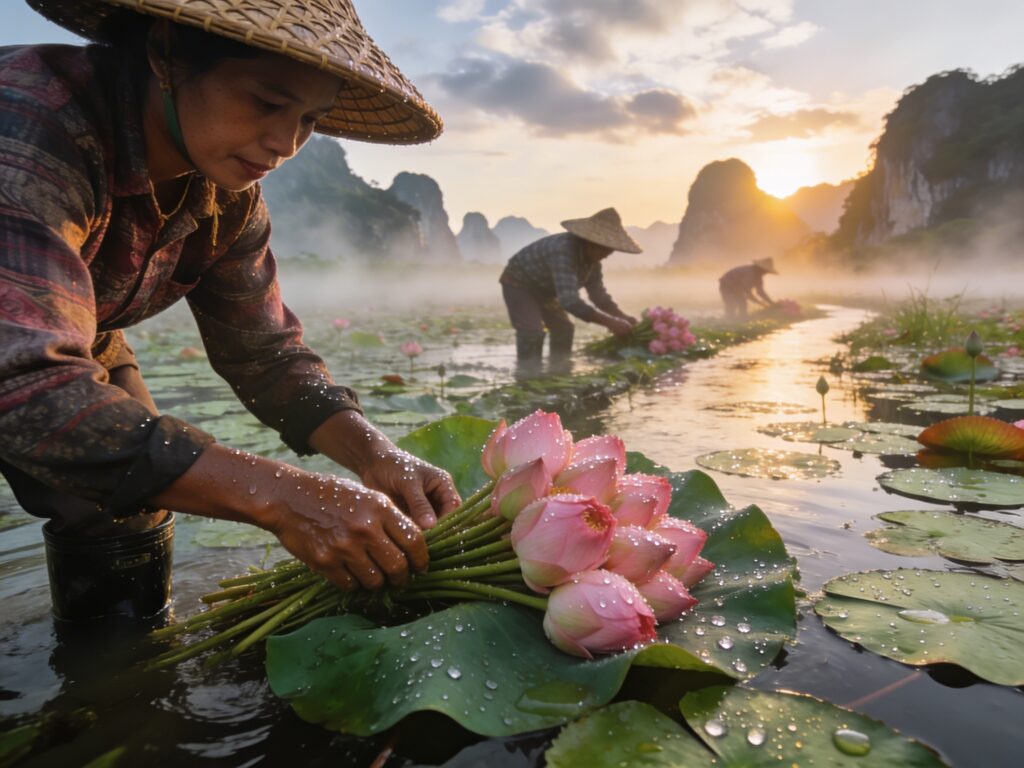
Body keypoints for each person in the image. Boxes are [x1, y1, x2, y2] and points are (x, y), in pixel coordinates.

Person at [0, 0, 461, 621]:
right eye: (267, 102)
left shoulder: (227, 196)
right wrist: (284, 498)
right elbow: (22, 380)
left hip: (78, 334)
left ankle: (116, 672)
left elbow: (265, 354)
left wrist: (375, 454)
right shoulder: (27, 127)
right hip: (21, 354)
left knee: (122, 504)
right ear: (165, 54)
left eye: (309, 120)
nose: (286, 144)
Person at [499, 208, 641, 375]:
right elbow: (569, 301)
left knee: (564, 328)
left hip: (545, 290)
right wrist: (610, 323)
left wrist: (622, 318)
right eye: (605, 248)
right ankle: (527, 376)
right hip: (519, 282)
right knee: (532, 331)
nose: (608, 254)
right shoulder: (562, 251)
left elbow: (599, 297)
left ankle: (559, 372)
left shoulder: (593, 263)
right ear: (590, 241)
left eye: (611, 249)